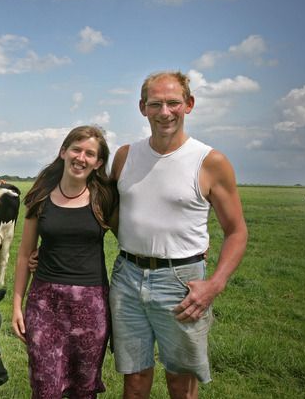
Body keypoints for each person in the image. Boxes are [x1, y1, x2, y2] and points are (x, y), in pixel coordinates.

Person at [109, 71, 248, 399]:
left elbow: (237, 231)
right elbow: (108, 214)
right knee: (135, 379)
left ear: (189, 105)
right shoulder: (125, 156)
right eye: (155, 104)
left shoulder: (210, 161)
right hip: (127, 276)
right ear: (142, 107)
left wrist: (214, 284)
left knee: (181, 383)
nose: (165, 112)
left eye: (173, 103)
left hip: (181, 282)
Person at [12, 125, 118, 399]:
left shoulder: (104, 198)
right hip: (45, 303)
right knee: (45, 386)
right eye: (76, 149)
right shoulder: (40, 196)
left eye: (90, 153)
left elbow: (133, 236)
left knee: (84, 388)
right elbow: (25, 254)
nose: (81, 157)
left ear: (98, 163)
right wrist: (16, 305)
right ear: (63, 152)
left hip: (91, 305)